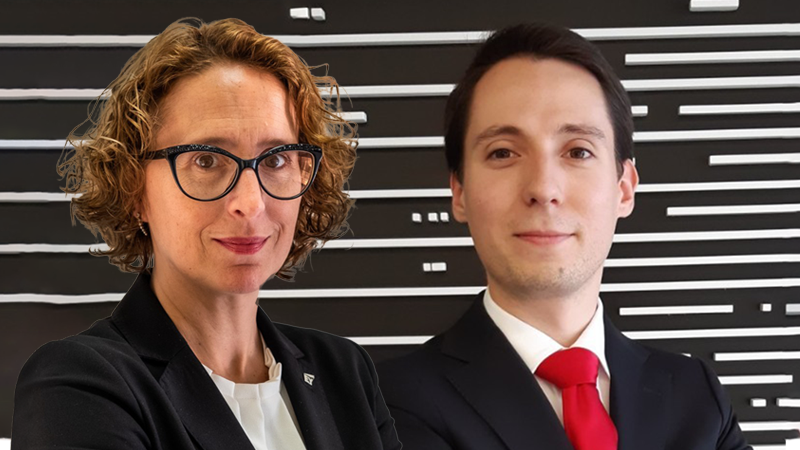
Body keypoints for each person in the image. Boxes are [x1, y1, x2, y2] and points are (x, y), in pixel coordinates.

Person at [12, 18, 400, 450]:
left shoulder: (344, 372)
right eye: (206, 160)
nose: (250, 203)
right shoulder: (78, 386)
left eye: (276, 160)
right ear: (134, 187)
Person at [377, 23, 751, 450]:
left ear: (624, 188)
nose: (543, 188)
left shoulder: (696, 396)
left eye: (578, 151)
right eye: (503, 152)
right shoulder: (387, 405)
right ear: (459, 192)